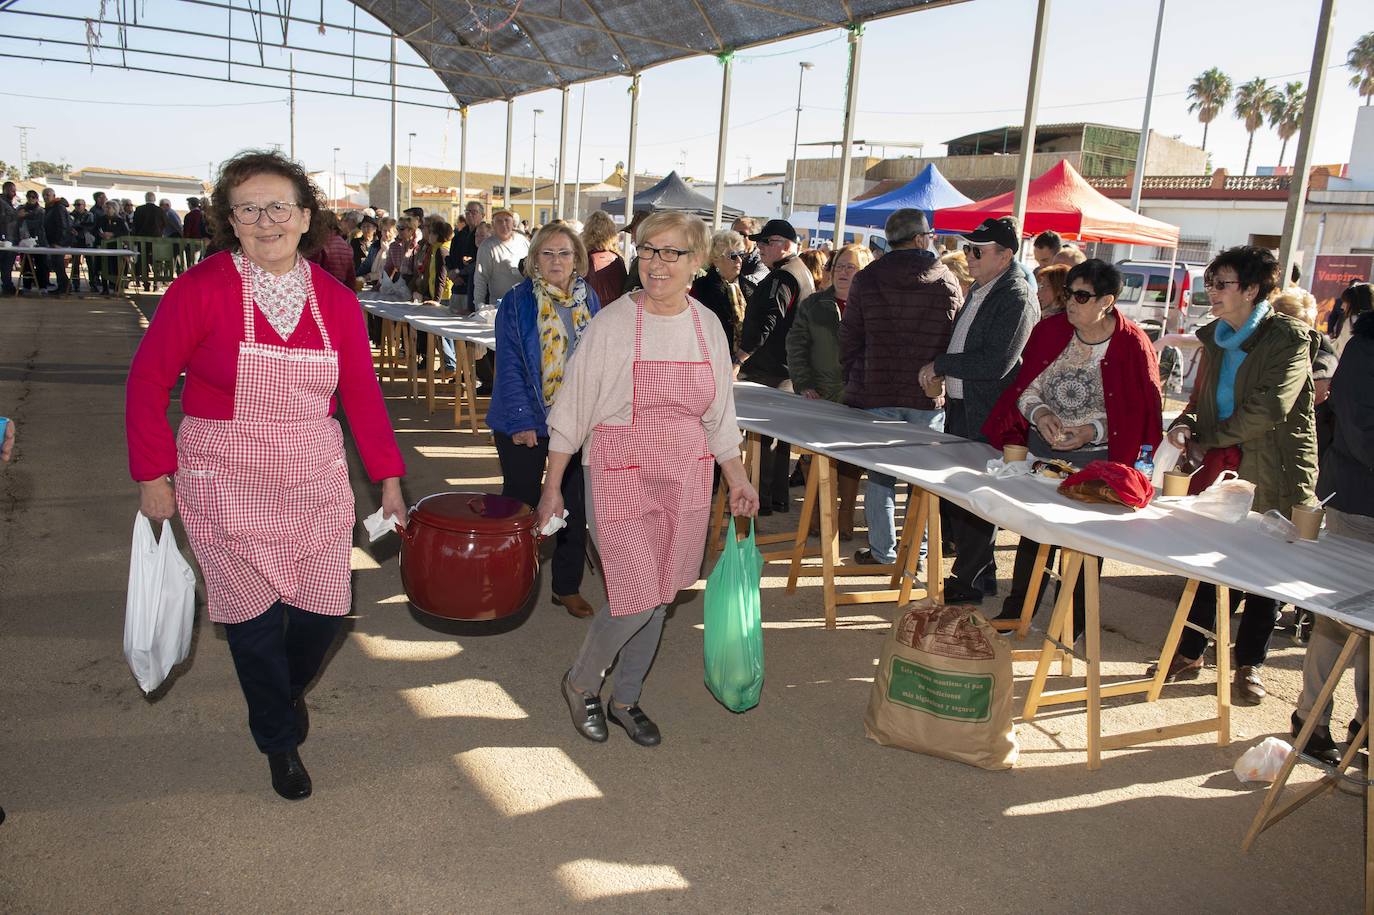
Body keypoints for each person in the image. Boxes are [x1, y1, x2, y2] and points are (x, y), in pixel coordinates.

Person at [125, 149, 406, 800]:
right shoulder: (202, 289)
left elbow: (361, 395)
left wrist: (389, 478)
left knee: (322, 614)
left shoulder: (335, 300)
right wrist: (153, 473)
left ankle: (281, 695)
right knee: (251, 627)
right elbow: (148, 381)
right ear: (231, 219)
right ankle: (279, 740)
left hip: (312, 479)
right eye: (249, 208)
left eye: (280, 206)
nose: (266, 220)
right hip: (223, 476)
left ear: (306, 217)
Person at [537, 211, 758, 747]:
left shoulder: (707, 327)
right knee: (636, 592)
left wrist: (739, 479)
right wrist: (550, 487)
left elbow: (719, 417)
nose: (658, 263)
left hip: (686, 473)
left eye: (672, 253)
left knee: (662, 595)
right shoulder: (613, 323)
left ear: (697, 262)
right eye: (650, 251)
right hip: (619, 470)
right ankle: (581, 683)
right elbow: (574, 408)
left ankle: (626, 698)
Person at [1161, 245, 1317, 704]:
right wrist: (1186, 424)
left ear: (1251, 290)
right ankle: (1190, 652)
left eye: (1221, 283)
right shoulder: (1214, 336)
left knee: (1260, 574)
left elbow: (1269, 408)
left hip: (1272, 466)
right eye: (1211, 282)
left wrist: (1211, 438)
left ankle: (1249, 664)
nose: (1211, 291)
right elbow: (1201, 401)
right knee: (1207, 564)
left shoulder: (1289, 337)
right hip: (1220, 463)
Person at [984, 259, 1163, 637]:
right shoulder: (1049, 331)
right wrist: (1042, 412)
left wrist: (1090, 431)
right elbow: (1025, 388)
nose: (1071, 303)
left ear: (1108, 301)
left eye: (1082, 296)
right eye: (1069, 294)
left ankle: (1076, 621)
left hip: (1095, 459)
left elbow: (1137, 413)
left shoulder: (1132, 345)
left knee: (1085, 543)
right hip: (1042, 451)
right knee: (1033, 533)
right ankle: (1019, 609)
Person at [918, 216, 1036, 603]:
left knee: (975, 499)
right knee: (964, 498)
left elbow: (996, 362)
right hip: (964, 405)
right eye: (968, 248)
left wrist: (942, 365)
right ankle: (979, 573)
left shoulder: (1015, 295)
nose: (968, 256)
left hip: (986, 410)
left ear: (1005, 256)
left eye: (977, 251)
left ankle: (969, 581)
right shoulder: (986, 287)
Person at [488, 223, 602, 620]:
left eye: (564, 253)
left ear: (578, 260)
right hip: (526, 419)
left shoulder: (592, 299)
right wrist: (522, 419)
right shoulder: (516, 301)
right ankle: (506, 581)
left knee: (574, 507)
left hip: (575, 421)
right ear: (534, 259)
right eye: (547, 253)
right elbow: (511, 366)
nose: (556, 261)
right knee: (519, 503)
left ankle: (565, 587)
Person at [841, 209, 960, 565]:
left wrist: (854, 374)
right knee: (922, 478)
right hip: (927, 395)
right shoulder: (945, 279)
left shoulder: (868, 278)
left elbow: (850, 337)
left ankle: (883, 550)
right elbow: (955, 338)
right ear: (923, 238)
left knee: (880, 476)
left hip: (876, 389)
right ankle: (918, 551)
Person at [1293, 305, 1374, 763]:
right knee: (1339, 619)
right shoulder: (1365, 347)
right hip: (1359, 504)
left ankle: (1365, 726)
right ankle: (1311, 718)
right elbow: (1362, 431)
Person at [789, 242, 875, 540]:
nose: (843, 272)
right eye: (839, 266)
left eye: (851, 267)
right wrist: (805, 385)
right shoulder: (814, 304)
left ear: (864, 272)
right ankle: (814, 522)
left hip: (857, 398)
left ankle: (845, 523)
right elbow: (796, 347)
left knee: (851, 468)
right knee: (815, 462)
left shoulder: (874, 307)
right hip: (820, 396)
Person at [738, 218, 815, 514]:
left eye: (765, 242)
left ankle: (765, 498)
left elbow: (769, 320)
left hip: (772, 370)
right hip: (785, 368)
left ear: (784, 245)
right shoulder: (798, 271)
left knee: (764, 439)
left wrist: (740, 357)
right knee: (777, 438)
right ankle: (775, 496)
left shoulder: (784, 276)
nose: (759, 247)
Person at [690, 229, 749, 350]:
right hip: (711, 354)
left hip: (745, 362)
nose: (739, 260)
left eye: (741, 255)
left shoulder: (751, 288)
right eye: (733, 256)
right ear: (716, 259)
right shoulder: (699, 289)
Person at [472, 209, 529, 311]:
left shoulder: (523, 241)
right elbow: (480, 278)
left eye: (507, 220)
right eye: (499, 221)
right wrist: (478, 305)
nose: (503, 224)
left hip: (525, 303)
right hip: (499, 306)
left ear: (513, 223)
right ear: (493, 226)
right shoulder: (487, 246)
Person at [581, 210, 628, 308]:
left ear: (588, 232)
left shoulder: (586, 258)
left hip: (593, 313)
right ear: (611, 233)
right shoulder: (618, 259)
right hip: (615, 312)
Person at [446, 200, 485, 308]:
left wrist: (461, 272)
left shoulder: (485, 235)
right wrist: (452, 273)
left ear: (482, 215)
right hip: (457, 288)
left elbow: (481, 261)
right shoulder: (459, 235)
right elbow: (450, 257)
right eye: (467, 212)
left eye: (474, 212)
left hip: (474, 289)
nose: (470, 215)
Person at [307, 210, 356, 289]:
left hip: (324, 288)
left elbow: (311, 269)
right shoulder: (345, 245)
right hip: (341, 288)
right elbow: (351, 275)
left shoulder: (320, 244)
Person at [1329, 282, 1372, 357]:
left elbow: (1340, 351)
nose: (1342, 307)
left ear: (1355, 303)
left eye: (1346, 302)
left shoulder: (1352, 322)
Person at [731, 215, 770, 298]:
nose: (736, 238)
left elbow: (753, 282)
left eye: (742, 235)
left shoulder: (763, 259)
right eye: (733, 234)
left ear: (754, 238)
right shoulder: (726, 256)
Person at [42, 190, 73, 295]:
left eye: (48, 195)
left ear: (53, 196)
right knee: (56, 265)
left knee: (58, 265)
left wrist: (59, 242)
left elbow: (63, 226)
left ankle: (65, 287)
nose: (45, 197)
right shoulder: (50, 208)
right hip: (53, 241)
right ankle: (64, 286)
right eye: (44, 195)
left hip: (59, 242)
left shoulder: (58, 208)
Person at [0, 181, 18, 295]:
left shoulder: (8, 203)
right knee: (6, 266)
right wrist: (17, 215)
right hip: (4, 239)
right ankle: (7, 287)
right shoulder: (2, 203)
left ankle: (8, 286)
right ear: (5, 190)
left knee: (7, 266)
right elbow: (2, 220)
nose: (14, 193)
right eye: (12, 190)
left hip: (9, 238)